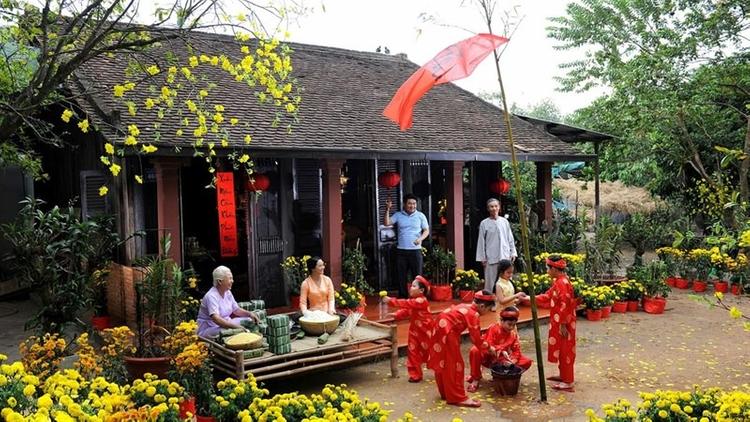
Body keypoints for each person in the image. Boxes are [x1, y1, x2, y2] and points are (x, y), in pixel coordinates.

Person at [427, 290, 495, 408]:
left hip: (439, 329)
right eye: (488, 309)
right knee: (455, 366)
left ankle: (446, 393)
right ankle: (457, 397)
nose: (487, 312)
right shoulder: (474, 314)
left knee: (443, 363)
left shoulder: (464, 306)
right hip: (448, 333)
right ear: (482, 306)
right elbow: (476, 339)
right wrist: (489, 347)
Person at [466, 306, 533, 392]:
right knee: (475, 350)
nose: (511, 327)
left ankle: (502, 376)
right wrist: (501, 350)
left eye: (514, 325)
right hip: (488, 356)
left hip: (501, 360)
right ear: (502, 321)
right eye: (509, 324)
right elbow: (489, 344)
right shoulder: (493, 328)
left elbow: (517, 351)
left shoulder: (513, 334)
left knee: (527, 361)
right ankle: (475, 379)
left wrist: (512, 361)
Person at [535, 254, 577, 392]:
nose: (547, 271)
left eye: (548, 268)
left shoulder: (562, 283)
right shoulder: (559, 281)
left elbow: (565, 304)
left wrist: (563, 324)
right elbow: (547, 296)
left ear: (554, 269)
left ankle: (568, 381)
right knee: (561, 348)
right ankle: (564, 375)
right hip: (559, 321)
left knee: (565, 350)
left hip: (564, 322)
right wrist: (529, 298)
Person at [383, 275, 433, 383]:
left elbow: (406, 304)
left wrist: (391, 301)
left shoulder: (421, 301)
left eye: (414, 286)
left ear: (421, 290)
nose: (411, 287)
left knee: (430, 350)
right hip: (414, 330)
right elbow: (407, 310)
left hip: (425, 331)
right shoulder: (415, 301)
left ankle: (442, 367)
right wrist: (396, 314)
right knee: (412, 352)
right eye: (411, 285)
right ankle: (415, 375)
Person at [384, 194, 429, 297]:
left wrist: (420, 239)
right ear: (404, 204)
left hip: (415, 251)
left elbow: (426, 231)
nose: (412, 206)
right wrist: (387, 209)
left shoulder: (420, 216)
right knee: (401, 276)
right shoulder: (398, 215)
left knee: (417, 276)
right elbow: (386, 223)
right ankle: (403, 297)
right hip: (401, 251)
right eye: (409, 203)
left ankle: (417, 297)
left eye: (414, 204)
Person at [197, 266, 260, 338]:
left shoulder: (227, 292)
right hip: (210, 328)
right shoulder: (211, 296)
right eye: (230, 278)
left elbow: (236, 310)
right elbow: (216, 319)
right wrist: (235, 327)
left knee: (249, 321)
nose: (232, 281)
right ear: (220, 281)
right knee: (232, 331)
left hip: (226, 323)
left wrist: (250, 314)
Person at [476, 198, 517, 292]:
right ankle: (490, 299)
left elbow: (510, 238)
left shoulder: (504, 222)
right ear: (488, 209)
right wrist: (482, 258)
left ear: (499, 207)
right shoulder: (484, 223)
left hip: (505, 256)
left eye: (496, 206)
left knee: (506, 280)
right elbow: (481, 241)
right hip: (490, 257)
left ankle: (507, 298)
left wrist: (513, 252)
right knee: (490, 283)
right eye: (491, 207)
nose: (494, 208)